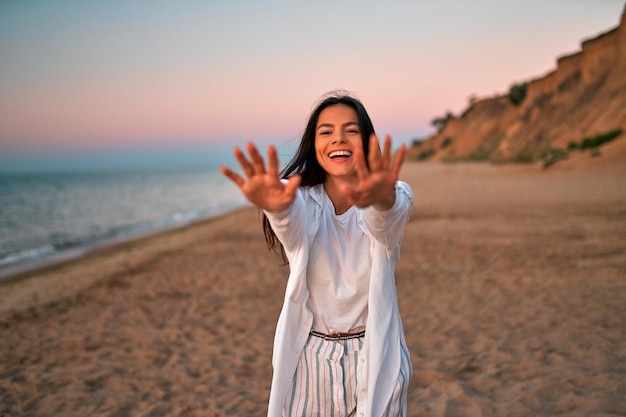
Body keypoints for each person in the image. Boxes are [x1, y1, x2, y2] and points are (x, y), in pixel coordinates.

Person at [220, 91, 414, 417]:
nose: (338, 138)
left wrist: (383, 198)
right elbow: (290, 224)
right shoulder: (301, 200)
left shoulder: (396, 195)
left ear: (367, 142)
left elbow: (385, 221)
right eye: (326, 131)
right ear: (314, 144)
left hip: (376, 354)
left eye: (351, 130)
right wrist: (276, 208)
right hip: (311, 360)